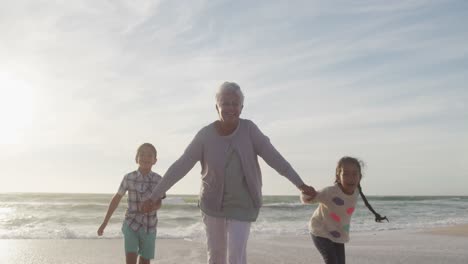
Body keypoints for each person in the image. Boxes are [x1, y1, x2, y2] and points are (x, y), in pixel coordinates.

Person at [141, 81, 316, 264]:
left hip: (243, 203)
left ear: (241, 107)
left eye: (235, 103)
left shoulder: (250, 130)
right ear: (216, 106)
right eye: (225, 103)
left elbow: (275, 159)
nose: (230, 108)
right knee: (216, 256)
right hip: (211, 203)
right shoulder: (205, 135)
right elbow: (180, 166)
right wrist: (155, 196)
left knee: (236, 257)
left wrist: (300, 184)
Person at [301, 156, 388, 264]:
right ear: (338, 176)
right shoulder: (330, 192)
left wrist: (376, 215)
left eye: (354, 174)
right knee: (332, 261)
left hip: (338, 233)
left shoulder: (357, 191)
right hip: (320, 230)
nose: (350, 178)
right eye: (345, 174)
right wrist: (306, 193)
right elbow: (309, 199)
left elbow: (366, 204)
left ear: (360, 177)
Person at [97, 143, 164, 264]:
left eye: (150, 155)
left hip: (150, 227)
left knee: (145, 260)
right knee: (130, 259)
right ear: (136, 158)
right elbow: (116, 199)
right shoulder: (128, 178)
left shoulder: (158, 180)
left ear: (155, 160)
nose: (145, 157)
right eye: (142, 154)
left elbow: (159, 202)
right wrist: (104, 222)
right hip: (131, 224)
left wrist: (153, 206)